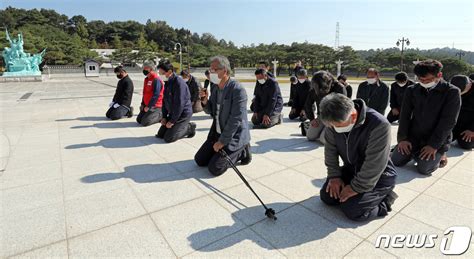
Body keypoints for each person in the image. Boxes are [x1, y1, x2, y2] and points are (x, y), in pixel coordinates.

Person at [319, 93, 397, 221]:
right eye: (331, 126)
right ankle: (362, 196)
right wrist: (334, 176)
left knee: (353, 210)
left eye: (337, 126)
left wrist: (356, 187)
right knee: (327, 197)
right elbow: (330, 151)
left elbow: (375, 163)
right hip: (351, 169)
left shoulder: (379, 125)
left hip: (379, 176)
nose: (334, 129)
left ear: (353, 116)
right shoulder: (333, 121)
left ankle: (385, 200)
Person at [391, 60, 461, 175]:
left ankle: (441, 154)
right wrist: (403, 139)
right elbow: (404, 115)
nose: (423, 82)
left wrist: (434, 145)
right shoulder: (412, 90)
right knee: (396, 161)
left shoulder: (452, 92)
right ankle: (415, 153)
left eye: (428, 80)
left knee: (424, 169)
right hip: (414, 136)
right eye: (420, 79)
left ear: (439, 75)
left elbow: (448, 121)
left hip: (436, 138)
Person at [194, 55, 252, 176]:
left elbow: (235, 120)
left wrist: (222, 142)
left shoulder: (237, 90)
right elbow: (211, 111)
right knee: (200, 160)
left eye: (214, 70)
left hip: (233, 135)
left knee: (215, 168)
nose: (211, 72)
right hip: (217, 132)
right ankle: (223, 151)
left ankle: (243, 150)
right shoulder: (215, 88)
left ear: (224, 70)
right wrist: (204, 100)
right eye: (210, 69)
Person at [155, 61, 196, 143]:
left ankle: (189, 128)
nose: (160, 75)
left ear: (169, 72)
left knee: (169, 138)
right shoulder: (167, 82)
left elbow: (179, 104)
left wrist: (172, 121)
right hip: (173, 112)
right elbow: (165, 100)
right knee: (161, 134)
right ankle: (175, 127)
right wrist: (164, 117)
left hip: (183, 114)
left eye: (161, 73)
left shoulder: (178, 83)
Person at [303, 71, 346, 143]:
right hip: (322, 115)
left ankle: (336, 133)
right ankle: (323, 130)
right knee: (310, 136)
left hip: (334, 117)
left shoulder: (339, 88)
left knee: (323, 139)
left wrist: (333, 121)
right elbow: (308, 104)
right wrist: (312, 119)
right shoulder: (315, 87)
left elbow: (343, 108)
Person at [136, 61, 164, 126]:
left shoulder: (156, 79)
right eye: (143, 68)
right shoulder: (147, 79)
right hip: (147, 105)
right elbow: (145, 93)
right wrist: (142, 104)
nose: (144, 70)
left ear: (150, 69)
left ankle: (160, 115)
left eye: (145, 68)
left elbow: (156, 95)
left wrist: (149, 106)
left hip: (155, 106)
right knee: (139, 120)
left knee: (145, 122)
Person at [450, 75, 474, 150]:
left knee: (467, 144)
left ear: (469, 84)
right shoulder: (450, 89)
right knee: (444, 140)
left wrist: (472, 130)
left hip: (469, 124)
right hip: (455, 123)